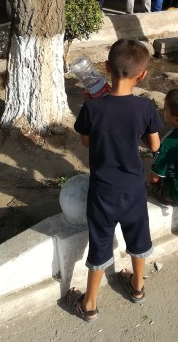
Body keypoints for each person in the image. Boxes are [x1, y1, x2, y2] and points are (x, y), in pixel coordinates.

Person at [68, 39, 162, 321]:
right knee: (138, 236)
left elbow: (86, 142)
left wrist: (92, 105)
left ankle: (90, 303)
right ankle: (137, 286)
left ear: (106, 68)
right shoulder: (144, 107)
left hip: (103, 191)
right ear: (142, 75)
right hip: (133, 188)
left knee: (100, 242)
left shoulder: (93, 107)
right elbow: (155, 146)